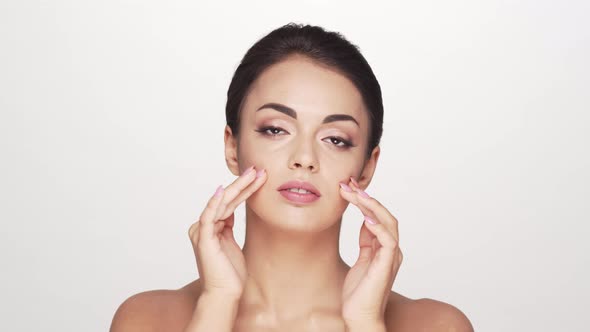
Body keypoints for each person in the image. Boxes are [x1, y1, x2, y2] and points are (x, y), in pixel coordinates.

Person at [110, 23, 474, 332]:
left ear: (366, 167)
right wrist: (217, 303)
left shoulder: (435, 325)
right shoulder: (149, 320)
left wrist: (365, 321)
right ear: (232, 147)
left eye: (335, 139)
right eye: (275, 130)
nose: (304, 159)